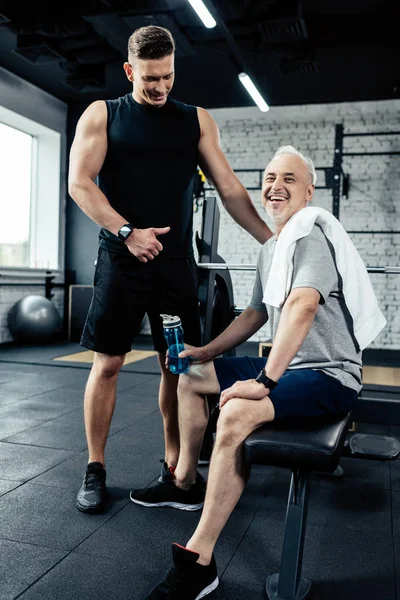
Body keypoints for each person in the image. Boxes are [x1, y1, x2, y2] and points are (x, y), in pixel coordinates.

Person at [138, 145, 386, 599]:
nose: (275, 186)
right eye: (270, 177)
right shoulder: (273, 247)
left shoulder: (311, 236)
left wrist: (264, 381)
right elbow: (254, 314)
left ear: (309, 192)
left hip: (329, 374)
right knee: (191, 379)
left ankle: (200, 561)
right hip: (289, 366)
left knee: (234, 414)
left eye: (289, 179)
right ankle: (187, 481)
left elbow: (303, 304)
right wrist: (204, 352)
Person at [68, 25, 272, 514]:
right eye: (150, 78)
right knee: (110, 362)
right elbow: (80, 183)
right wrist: (126, 233)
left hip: (176, 262)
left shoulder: (196, 121)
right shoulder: (104, 115)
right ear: (129, 70)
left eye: (168, 76)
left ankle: (174, 467)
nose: (159, 87)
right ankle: (95, 468)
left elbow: (228, 188)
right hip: (121, 257)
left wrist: (273, 241)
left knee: (176, 365)